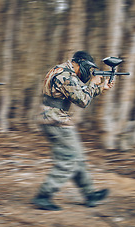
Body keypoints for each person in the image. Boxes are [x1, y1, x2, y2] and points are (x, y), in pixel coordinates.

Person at [32, 51, 112, 211]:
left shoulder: (63, 71)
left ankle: (89, 194)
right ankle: (43, 196)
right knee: (68, 159)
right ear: (80, 63)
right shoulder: (66, 76)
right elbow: (83, 101)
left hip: (56, 118)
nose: (88, 73)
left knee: (78, 157)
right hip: (55, 121)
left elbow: (79, 93)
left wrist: (100, 87)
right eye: (87, 69)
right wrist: (93, 83)